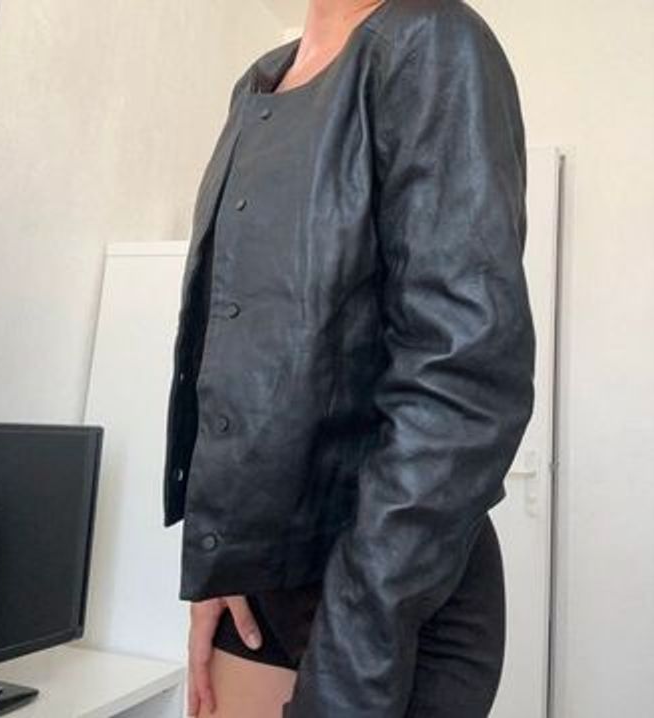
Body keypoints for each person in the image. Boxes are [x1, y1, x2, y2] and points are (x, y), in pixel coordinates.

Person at [161, 1, 536, 716]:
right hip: (260, 579)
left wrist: (353, 647)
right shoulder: (257, 82)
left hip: (391, 595)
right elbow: (236, 341)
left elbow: (464, 380)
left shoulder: (436, 40)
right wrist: (218, 561)